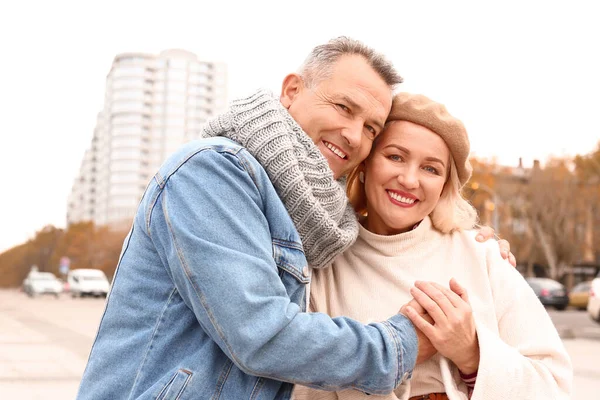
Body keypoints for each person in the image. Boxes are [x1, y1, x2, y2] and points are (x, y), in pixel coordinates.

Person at [76, 37, 511, 400]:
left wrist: (466, 249)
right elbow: (263, 336)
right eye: (344, 107)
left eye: (372, 128)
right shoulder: (214, 171)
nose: (355, 135)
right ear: (291, 91)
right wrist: (406, 341)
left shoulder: (316, 222)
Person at [293, 93, 572, 400]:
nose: (410, 180)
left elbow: (554, 387)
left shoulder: (483, 256)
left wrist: (472, 353)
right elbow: (300, 385)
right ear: (365, 164)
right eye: (395, 157)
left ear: (444, 186)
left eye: (431, 169)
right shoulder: (323, 259)